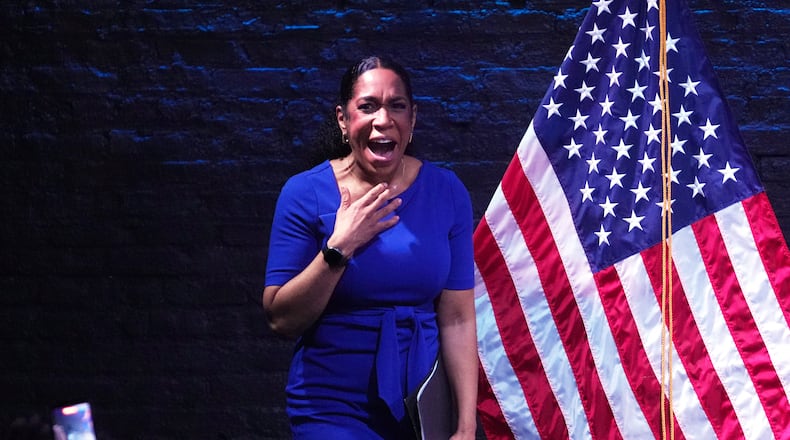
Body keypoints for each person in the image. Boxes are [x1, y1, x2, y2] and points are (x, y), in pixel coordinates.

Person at [263, 55, 477, 439]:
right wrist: (339, 247)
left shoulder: (447, 192)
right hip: (331, 407)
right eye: (368, 106)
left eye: (397, 106)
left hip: (422, 407)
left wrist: (464, 424)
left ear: (413, 118)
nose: (383, 119)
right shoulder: (305, 193)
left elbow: (458, 318)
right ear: (344, 120)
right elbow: (282, 319)